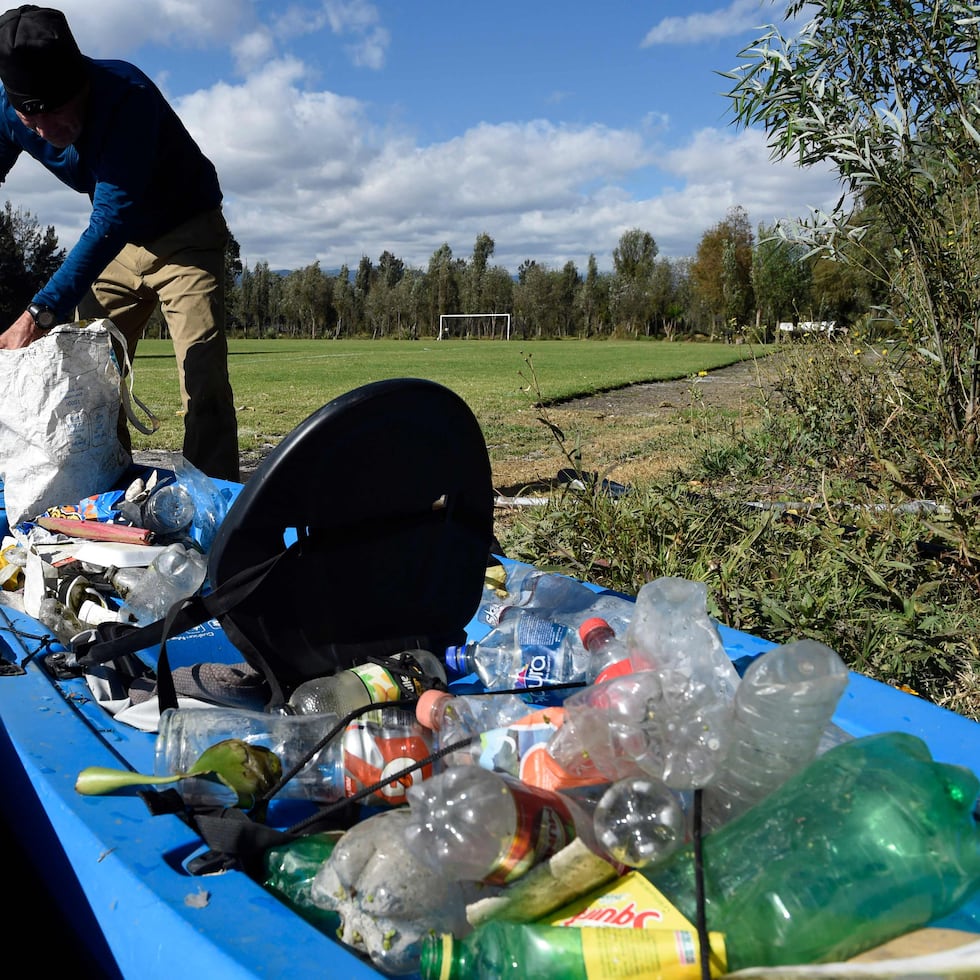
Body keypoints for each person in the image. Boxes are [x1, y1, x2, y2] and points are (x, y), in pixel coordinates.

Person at [0, 4, 239, 481]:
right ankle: (106, 486)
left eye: (59, 115)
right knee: (90, 373)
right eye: (34, 123)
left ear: (81, 84)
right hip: (121, 248)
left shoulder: (127, 95)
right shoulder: (11, 112)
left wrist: (37, 312)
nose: (48, 133)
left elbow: (112, 215)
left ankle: (212, 509)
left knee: (202, 371)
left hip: (184, 235)